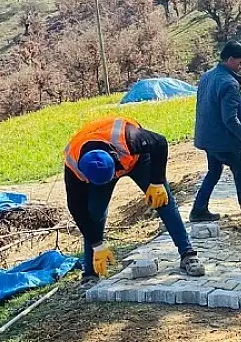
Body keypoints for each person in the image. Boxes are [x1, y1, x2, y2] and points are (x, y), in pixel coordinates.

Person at [64, 115, 205, 280]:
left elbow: (159, 142)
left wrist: (157, 181)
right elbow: (76, 208)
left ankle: (187, 254)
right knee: (94, 213)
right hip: (99, 173)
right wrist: (97, 244)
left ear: (114, 158)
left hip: (137, 161)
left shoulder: (129, 137)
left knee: (163, 201)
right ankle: (90, 274)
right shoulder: (74, 165)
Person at [189, 41, 241, 222]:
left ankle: (199, 209)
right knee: (239, 167)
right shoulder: (229, 84)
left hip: (207, 137)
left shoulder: (207, 76)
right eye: (239, 63)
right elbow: (230, 119)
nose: (240, 67)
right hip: (221, 139)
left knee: (214, 171)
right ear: (230, 59)